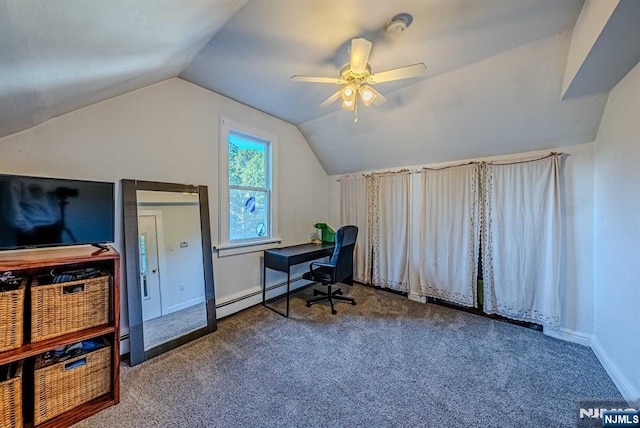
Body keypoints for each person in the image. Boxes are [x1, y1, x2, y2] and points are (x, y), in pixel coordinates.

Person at [1, 178, 62, 246]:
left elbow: (52, 202)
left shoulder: (50, 179)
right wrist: (25, 227)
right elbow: (11, 206)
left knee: (56, 255)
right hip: (33, 228)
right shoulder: (16, 180)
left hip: (53, 226)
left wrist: (58, 219)